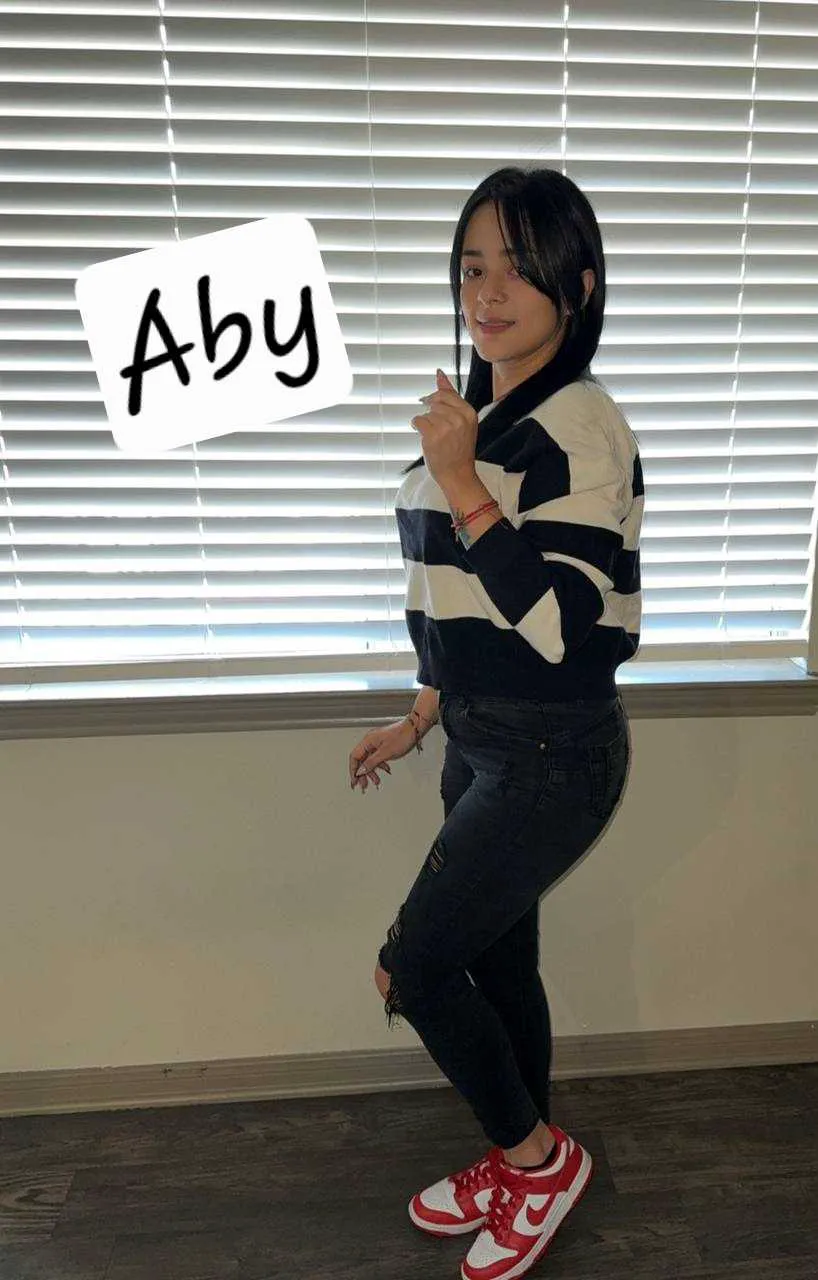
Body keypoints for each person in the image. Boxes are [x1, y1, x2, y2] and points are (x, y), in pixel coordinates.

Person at [348, 165, 644, 1280]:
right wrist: (422, 713)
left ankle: (537, 1160)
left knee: (413, 969)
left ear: (579, 282)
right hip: (479, 737)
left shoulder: (580, 427)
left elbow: (562, 626)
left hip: (551, 748)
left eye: (519, 266)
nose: (488, 290)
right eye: (473, 266)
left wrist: (462, 477)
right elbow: (453, 594)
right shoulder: (488, 415)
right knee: (499, 963)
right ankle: (522, 1157)